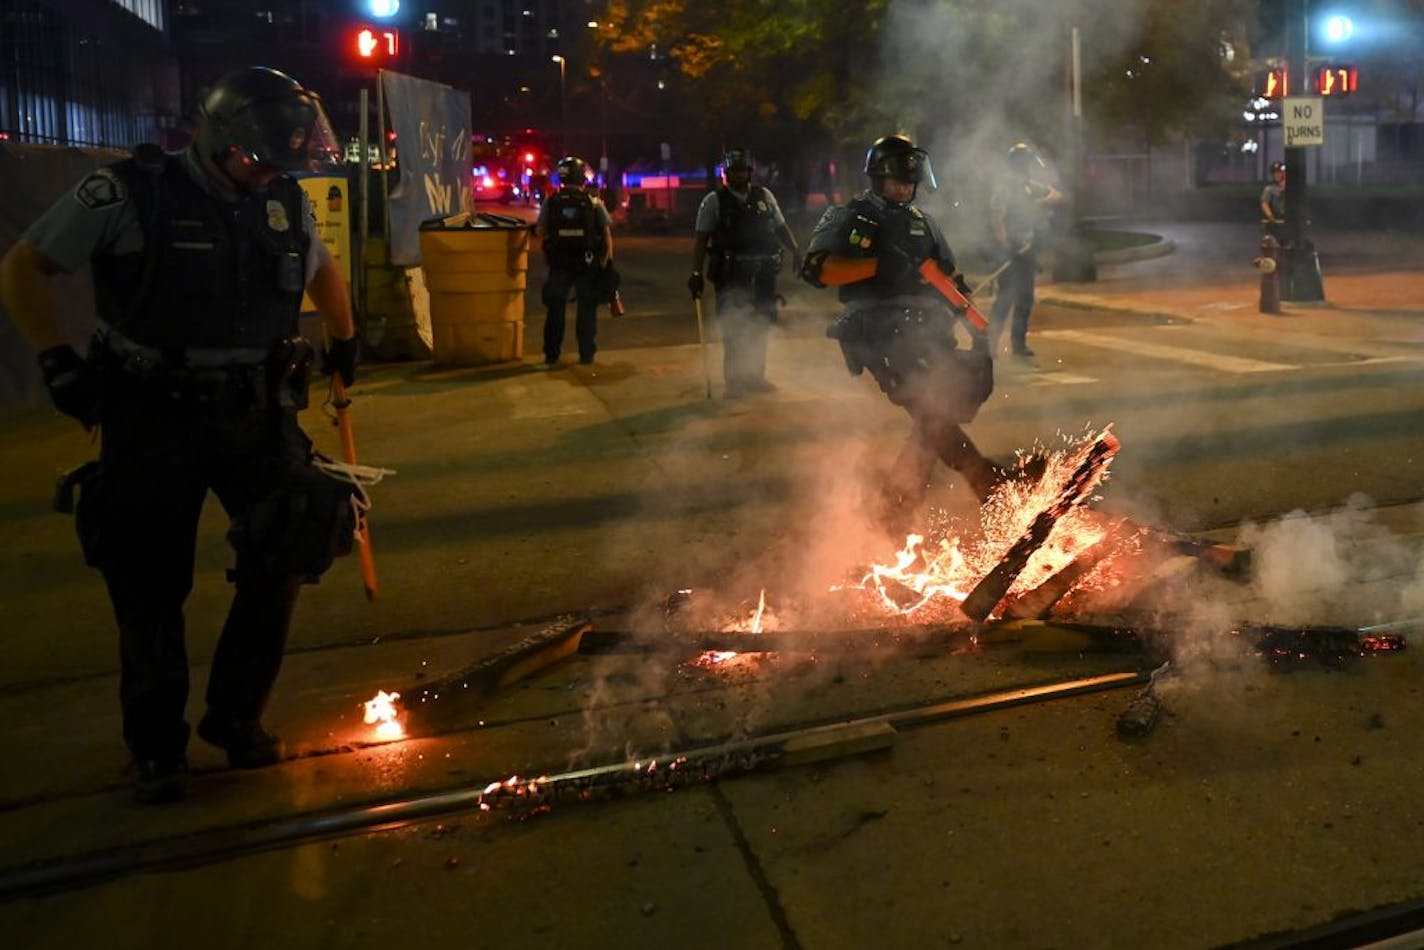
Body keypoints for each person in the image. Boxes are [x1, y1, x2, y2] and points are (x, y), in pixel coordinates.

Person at [0, 66, 359, 804]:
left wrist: (345, 346)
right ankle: (156, 746)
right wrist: (57, 361)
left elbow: (321, 273)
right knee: (147, 579)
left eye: (278, 164)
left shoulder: (281, 197)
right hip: (152, 413)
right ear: (216, 138)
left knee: (295, 536)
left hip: (255, 412)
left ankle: (234, 719)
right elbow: (25, 266)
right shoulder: (132, 193)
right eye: (257, 160)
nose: (266, 176)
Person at [800, 133, 1000, 532]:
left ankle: (895, 508)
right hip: (877, 332)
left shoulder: (924, 223)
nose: (905, 188)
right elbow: (817, 269)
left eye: (910, 182)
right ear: (877, 178)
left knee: (938, 409)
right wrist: (876, 268)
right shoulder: (850, 217)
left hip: (929, 331)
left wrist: (959, 298)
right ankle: (986, 481)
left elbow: (946, 276)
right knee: (927, 407)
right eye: (897, 182)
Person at [688, 147, 800, 397]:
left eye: (742, 171)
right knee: (734, 327)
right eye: (734, 171)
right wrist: (695, 273)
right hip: (731, 274)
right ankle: (735, 382)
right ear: (726, 174)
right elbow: (700, 240)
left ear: (749, 172)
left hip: (763, 272)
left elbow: (781, 227)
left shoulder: (764, 197)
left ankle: (756, 377)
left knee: (760, 324)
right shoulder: (714, 201)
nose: (739, 176)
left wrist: (796, 250)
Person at [533, 156, 614, 366]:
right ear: (582, 178)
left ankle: (552, 354)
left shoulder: (551, 201)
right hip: (586, 262)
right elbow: (606, 235)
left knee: (555, 309)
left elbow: (540, 231)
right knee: (586, 309)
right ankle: (586, 354)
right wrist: (606, 262)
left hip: (559, 261)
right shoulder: (593, 202)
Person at [986, 142, 1062, 359]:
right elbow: (996, 216)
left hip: (1027, 249)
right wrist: (1005, 244)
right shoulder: (1004, 187)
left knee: (1025, 298)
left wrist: (1038, 202)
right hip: (1009, 250)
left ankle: (1019, 346)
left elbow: (1056, 195)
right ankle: (990, 345)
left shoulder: (1028, 186)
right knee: (1005, 299)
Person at [1260, 160, 1287, 244]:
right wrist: (1270, 216)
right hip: (1276, 221)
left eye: (1279, 172)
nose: (1277, 175)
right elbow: (1264, 203)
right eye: (1275, 173)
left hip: (1290, 220)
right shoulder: (1270, 189)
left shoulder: (1293, 187)